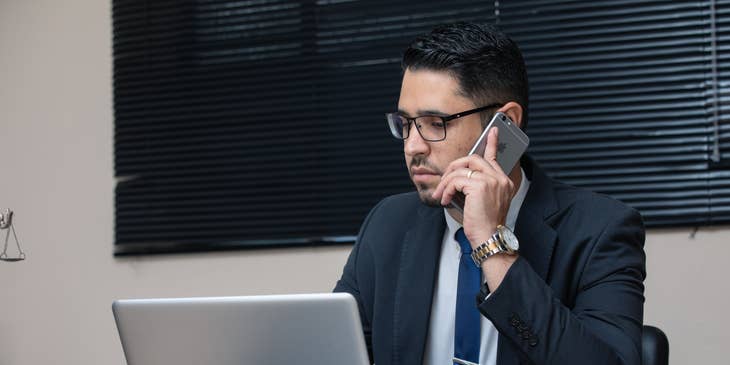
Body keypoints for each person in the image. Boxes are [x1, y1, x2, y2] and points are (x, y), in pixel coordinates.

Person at [333, 22, 646, 365]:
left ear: (504, 123)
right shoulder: (388, 223)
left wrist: (490, 245)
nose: (413, 146)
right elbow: (334, 352)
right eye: (406, 124)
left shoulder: (600, 230)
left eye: (436, 124)